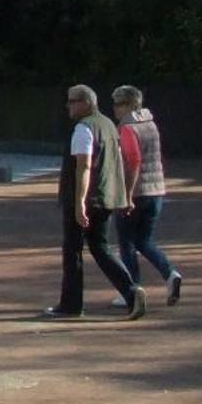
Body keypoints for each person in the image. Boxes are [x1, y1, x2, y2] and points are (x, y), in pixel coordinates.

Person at [46, 84, 145, 320]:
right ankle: (132, 291)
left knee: (72, 251)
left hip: (85, 199)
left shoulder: (83, 128)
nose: (68, 106)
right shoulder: (109, 125)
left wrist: (79, 202)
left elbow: (84, 166)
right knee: (100, 248)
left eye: (72, 101)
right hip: (105, 197)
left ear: (86, 103)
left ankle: (71, 305)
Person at [111, 85, 183, 307]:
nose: (114, 108)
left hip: (136, 192)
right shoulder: (150, 124)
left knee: (126, 242)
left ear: (127, 105)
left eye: (117, 103)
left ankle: (132, 290)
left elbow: (133, 162)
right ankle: (170, 273)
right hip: (156, 190)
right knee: (144, 240)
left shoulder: (127, 128)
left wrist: (127, 195)